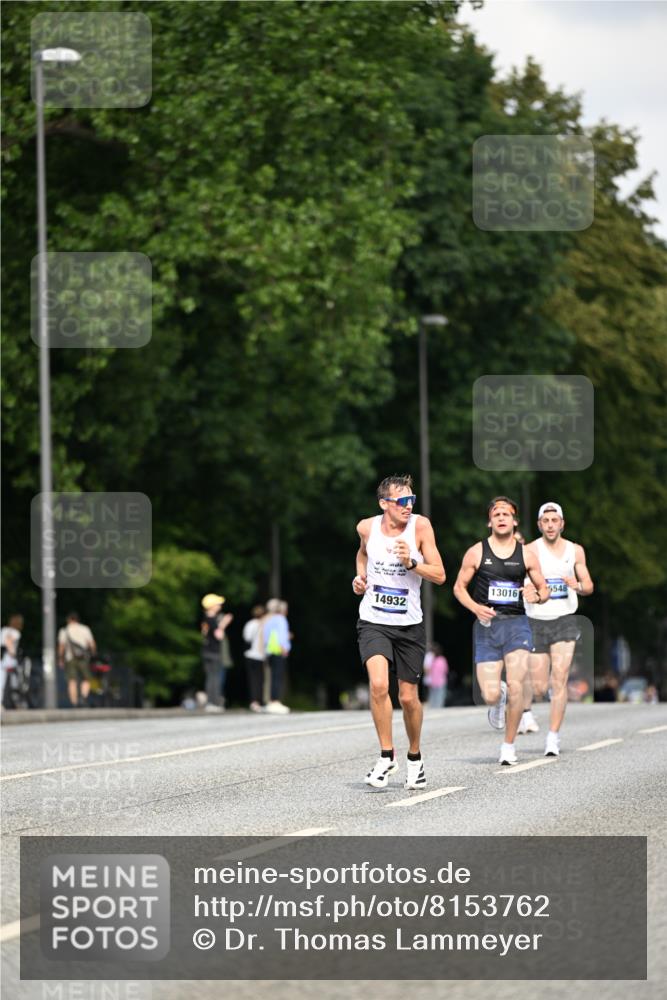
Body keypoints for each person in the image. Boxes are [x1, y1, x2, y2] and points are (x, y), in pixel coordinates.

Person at [353, 474, 446, 789]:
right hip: (374, 619)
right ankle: (386, 755)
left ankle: (415, 758)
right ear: (384, 504)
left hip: (409, 624)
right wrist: (360, 577)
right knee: (379, 686)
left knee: (408, 698)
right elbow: (363, 552)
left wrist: (412, 563)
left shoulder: (420, 527)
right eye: (401, 501)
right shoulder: (366, 527)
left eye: (411, 500)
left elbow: (440, 574)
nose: (408, 506)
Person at [453, 496, 549, 765]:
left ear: (514, 520)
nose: (502, 517)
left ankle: (508, 746)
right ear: (489, 521)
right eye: (497, 514)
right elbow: (458, 588)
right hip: (487, 627)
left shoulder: (527, 554)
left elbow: (544, 589)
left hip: (517, 625)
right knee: (490, 694)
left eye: (507, 514)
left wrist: (536, 595)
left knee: (518, 685)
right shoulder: (476, 552)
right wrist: (475, 607)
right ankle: (498, 700)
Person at [522, 502, 594, 756]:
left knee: (560, 679)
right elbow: (521, 583)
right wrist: (528, 592)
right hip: (537, 621)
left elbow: (588, 585)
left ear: (562, 523)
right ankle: (524, 707)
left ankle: (553, 737)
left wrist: (578, 585)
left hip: (564, 619)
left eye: (555, 520)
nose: (551, 525)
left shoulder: (575, 551)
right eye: (546, 521)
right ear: (539, 524)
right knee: (540, 686)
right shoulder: (529, 550)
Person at [200, 594, 233, 712]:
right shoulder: (211, 618)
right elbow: (219, 635)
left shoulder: (205, 618)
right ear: (212, 606)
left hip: (206, 651)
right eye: (218, 603)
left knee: (210, 677)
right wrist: (224, 623)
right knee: (215, 678)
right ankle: (213, 702)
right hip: (214, 652)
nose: (220, 605)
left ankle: (210, 702)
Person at [57, 611, 96, 708]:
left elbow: (61, 647)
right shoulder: (85, 629)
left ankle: (74, 703)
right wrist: (93, 655)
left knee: (72, 681)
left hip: (70, 658)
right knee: (86, 678)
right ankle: (83, 697)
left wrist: (60, 659)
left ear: (69, 620)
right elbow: (92, 644)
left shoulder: (64, 631)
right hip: (84, 658)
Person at [262, 598, 291, 714]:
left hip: (270, 651)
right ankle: (275, 701)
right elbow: (282, 636)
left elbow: (265, 636)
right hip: (278, 650)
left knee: (272, 676)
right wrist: (284, 648)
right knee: (277, 677)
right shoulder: (281, 619)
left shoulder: (269, 620)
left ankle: (271, 701)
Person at [243, 605, 266, 712]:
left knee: (253, 679)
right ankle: (259, 701)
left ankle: (254, 702)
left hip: (250, 654)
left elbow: (247, 638)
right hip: (260, 655)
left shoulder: (249, 624)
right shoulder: (264, 625)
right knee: (260, 679)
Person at [1, 614, 24, 707]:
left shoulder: (3, 630)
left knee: (1, 681)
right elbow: (9, 641)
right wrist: (12, 652)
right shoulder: (16, 633)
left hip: (1, 658)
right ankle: (16, 701)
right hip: (8, 660)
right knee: (15, 679)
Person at [427, 643, 449, 709]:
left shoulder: (431, 660)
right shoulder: (442, 660)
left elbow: (428, 671)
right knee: (440, 697)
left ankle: (433, 709)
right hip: (441, 682)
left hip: (433, 682)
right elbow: (446, 670)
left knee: (433, 697)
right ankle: (438, 709)